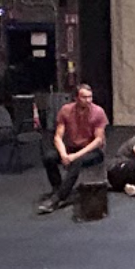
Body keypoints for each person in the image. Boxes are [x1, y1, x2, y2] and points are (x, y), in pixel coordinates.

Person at [35, 82, 111, 214]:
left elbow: (98, 140)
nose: (88, 100)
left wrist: (75, 156)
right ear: (76, 98)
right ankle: (58, 188)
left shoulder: (98, 112)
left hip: (92, 151)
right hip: (72, 148)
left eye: (90, 97)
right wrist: (63, 154)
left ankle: (57, 199)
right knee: (49, 157)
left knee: (77, 161)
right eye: (84, 97)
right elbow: (58, 137)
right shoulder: (66, 110)